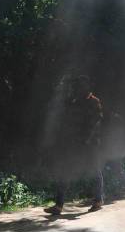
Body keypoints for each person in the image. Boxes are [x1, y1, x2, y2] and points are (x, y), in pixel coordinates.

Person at [44, 75, 104, 215]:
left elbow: (96, 123)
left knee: (95, 170)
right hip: (75, 144)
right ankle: (59, 205)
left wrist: (88, 139)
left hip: (90, 144)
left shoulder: (94, 102)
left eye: (80, 86)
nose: (77, 89)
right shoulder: (75, 101)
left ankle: (98, 200)